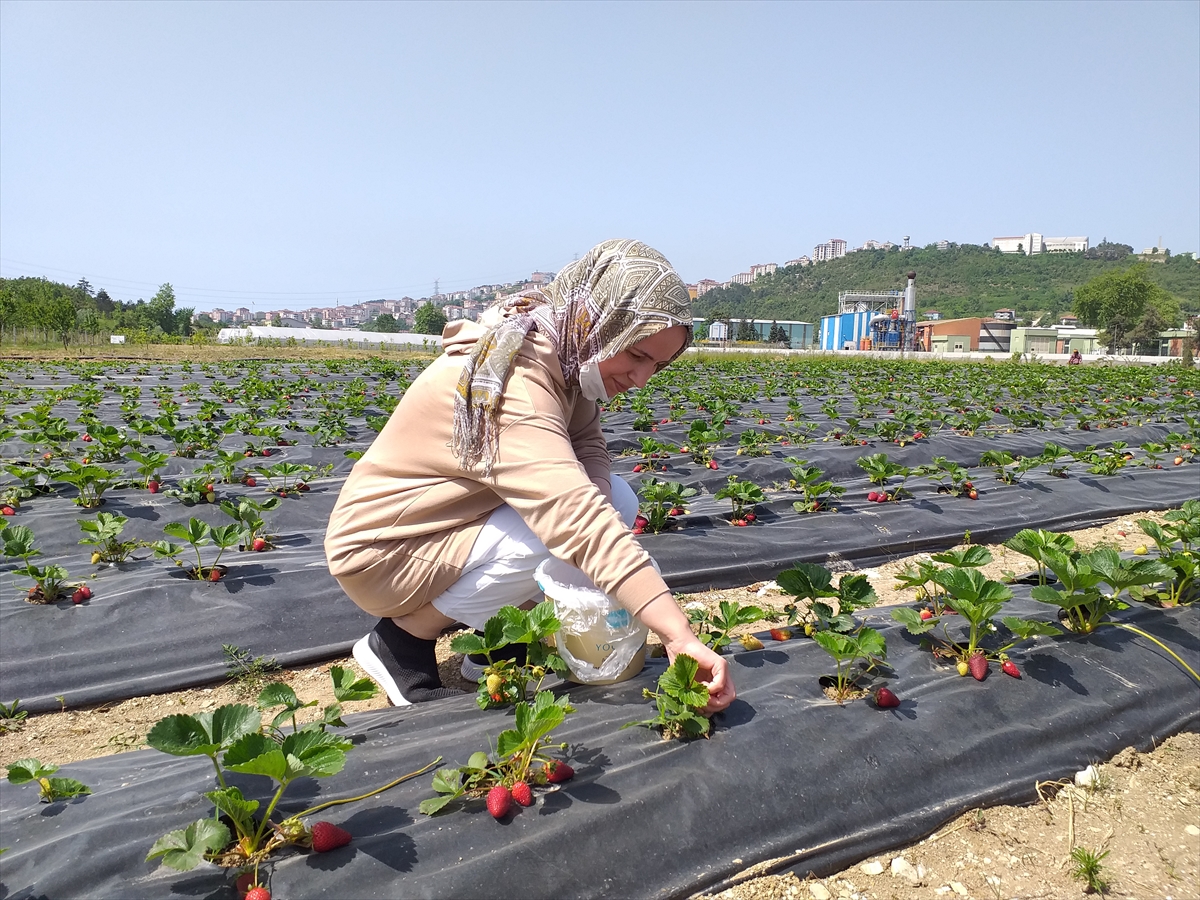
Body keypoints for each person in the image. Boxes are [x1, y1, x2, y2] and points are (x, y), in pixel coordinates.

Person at [325, 238, 735, 716]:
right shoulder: (512, 381)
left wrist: (592, 493)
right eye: (637, 355)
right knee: (562, 530)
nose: (642, 378)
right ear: (601, 321)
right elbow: (576, 521)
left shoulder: (564, 349)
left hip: (446, 523)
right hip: (383, 550)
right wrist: (677, 635)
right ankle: (401, 643)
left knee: (612, 500)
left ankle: (493, 644)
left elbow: (588, 442)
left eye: (658, 365)